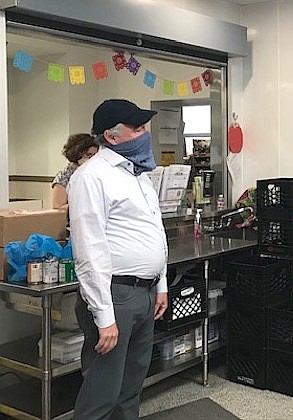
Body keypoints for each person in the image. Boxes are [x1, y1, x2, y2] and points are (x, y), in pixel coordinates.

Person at [68, 99, 169, 419]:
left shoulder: (139, 175)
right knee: (102, 392)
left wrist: (161, 283)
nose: (144, 134)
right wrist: (103, 315)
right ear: (111, 137)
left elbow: (155, 229)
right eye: (137, 128)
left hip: (145, 293)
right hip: (114, 295)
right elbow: (89, 251)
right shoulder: (91, 177)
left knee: (130, 388)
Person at [51, 133, 98, 210]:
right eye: (89, 155)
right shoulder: (64, 176)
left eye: (95, 155)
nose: (93, 159)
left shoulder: (96, 173)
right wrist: (86, 207)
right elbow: (58, 207)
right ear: (77, 154)